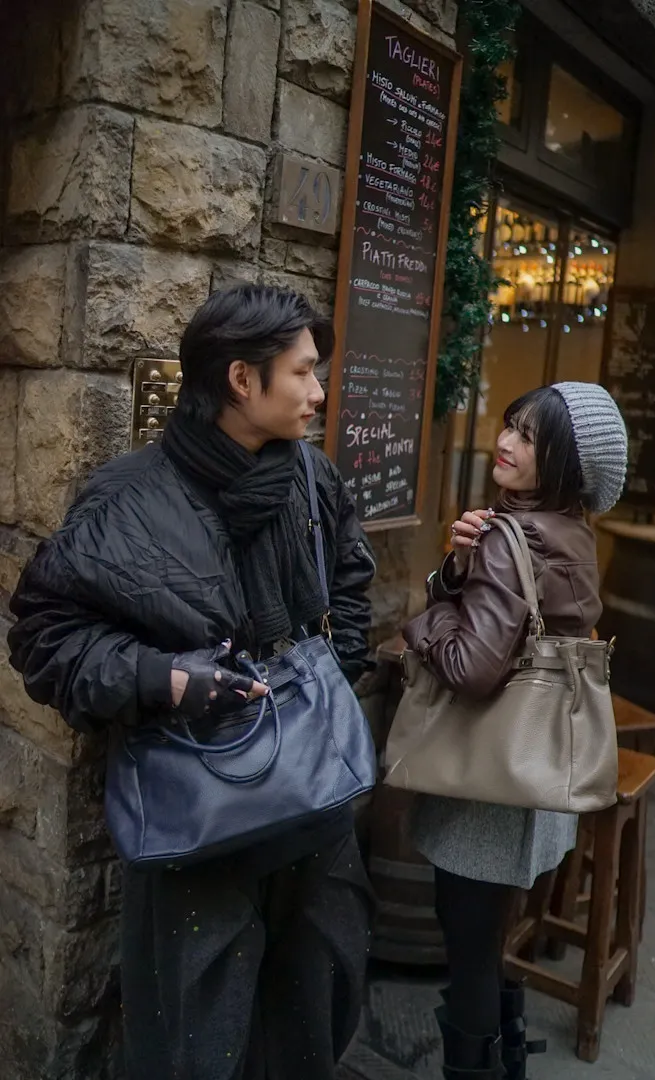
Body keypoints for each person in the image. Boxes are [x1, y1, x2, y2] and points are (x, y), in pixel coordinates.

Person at [7, 284, 377, 1080]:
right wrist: (163, 679)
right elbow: (44, 636)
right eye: (303, 372)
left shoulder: (313, 479)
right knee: (192, 1045)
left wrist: (322, 684)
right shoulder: (126, 499)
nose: (319, 392)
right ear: (242, 380)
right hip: (196, 823)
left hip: (314, 813)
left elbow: (350, 586)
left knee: (315, 1015)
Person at [403, 382, 628, 1080]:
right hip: (537, 773)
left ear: (564, 461)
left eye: (529, 437)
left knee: (468, 947)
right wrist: (458, 569)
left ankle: (477, 1067)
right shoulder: (571, 529)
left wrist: (424, 620)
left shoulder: (510, 537)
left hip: (485, 782)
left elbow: (471, 668)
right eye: (510, 426)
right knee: (490, 939)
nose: (505, 442)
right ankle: (506, 1060)